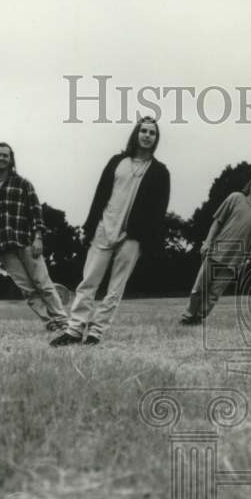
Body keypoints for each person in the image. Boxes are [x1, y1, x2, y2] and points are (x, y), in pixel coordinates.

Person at [51, 117, 170, 346]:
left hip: (132, 237)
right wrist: (91, 226)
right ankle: (74, 330)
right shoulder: (117, 161)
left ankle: (96, 333)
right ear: (136, 134)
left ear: (156, 139)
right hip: (104, 229)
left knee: (116, 288)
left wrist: (146, 239)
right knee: (88, 282)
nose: (147, 135)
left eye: (152, 133)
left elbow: (159, 211)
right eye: (143, 130)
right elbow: (99, 195)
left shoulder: (160, 172)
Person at [0, 142, 68, 331]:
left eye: (5, 155)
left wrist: (38, 237)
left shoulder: (23, 184)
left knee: (43, 284)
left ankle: (63, 322)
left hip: (26, 242)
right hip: (4, 247)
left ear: (11, 160)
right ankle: (50, 323)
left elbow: (36, 211)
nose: (1, 158)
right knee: (28, 290)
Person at [180, 171, 251, 325]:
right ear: (250, 184)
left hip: (235, 259)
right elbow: (217, 221)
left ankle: (198, 318)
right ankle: (187, 316)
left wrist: (247, 259)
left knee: (214, 293)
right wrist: (207, 242)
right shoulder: (235, 197)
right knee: (198, 288)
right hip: (216, 250)